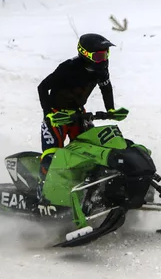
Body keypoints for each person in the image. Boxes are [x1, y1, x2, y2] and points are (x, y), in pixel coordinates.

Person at [37, 33, 129, 181]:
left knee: (91, 149)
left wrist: (110, 109)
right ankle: (42, 191)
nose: (104, 59)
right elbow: (42, 87)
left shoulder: (102, 70)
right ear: (85, 54)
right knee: (51, 156)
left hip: (79, 113)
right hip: (57, 115)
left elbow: (106, 87)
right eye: (99, 56)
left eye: (106, 54)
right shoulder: (67, 68)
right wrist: (48, 114)